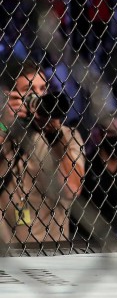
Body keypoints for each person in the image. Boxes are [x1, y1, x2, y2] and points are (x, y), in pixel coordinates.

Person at [0, 61, 86, 246]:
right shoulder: (4, 132)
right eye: (29, 90)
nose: (38, 96)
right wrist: (4, 125)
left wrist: (55, 138)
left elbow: (71, 190)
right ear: (11, 96)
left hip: (53, 252)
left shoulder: (67, 136)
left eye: (42, 88)